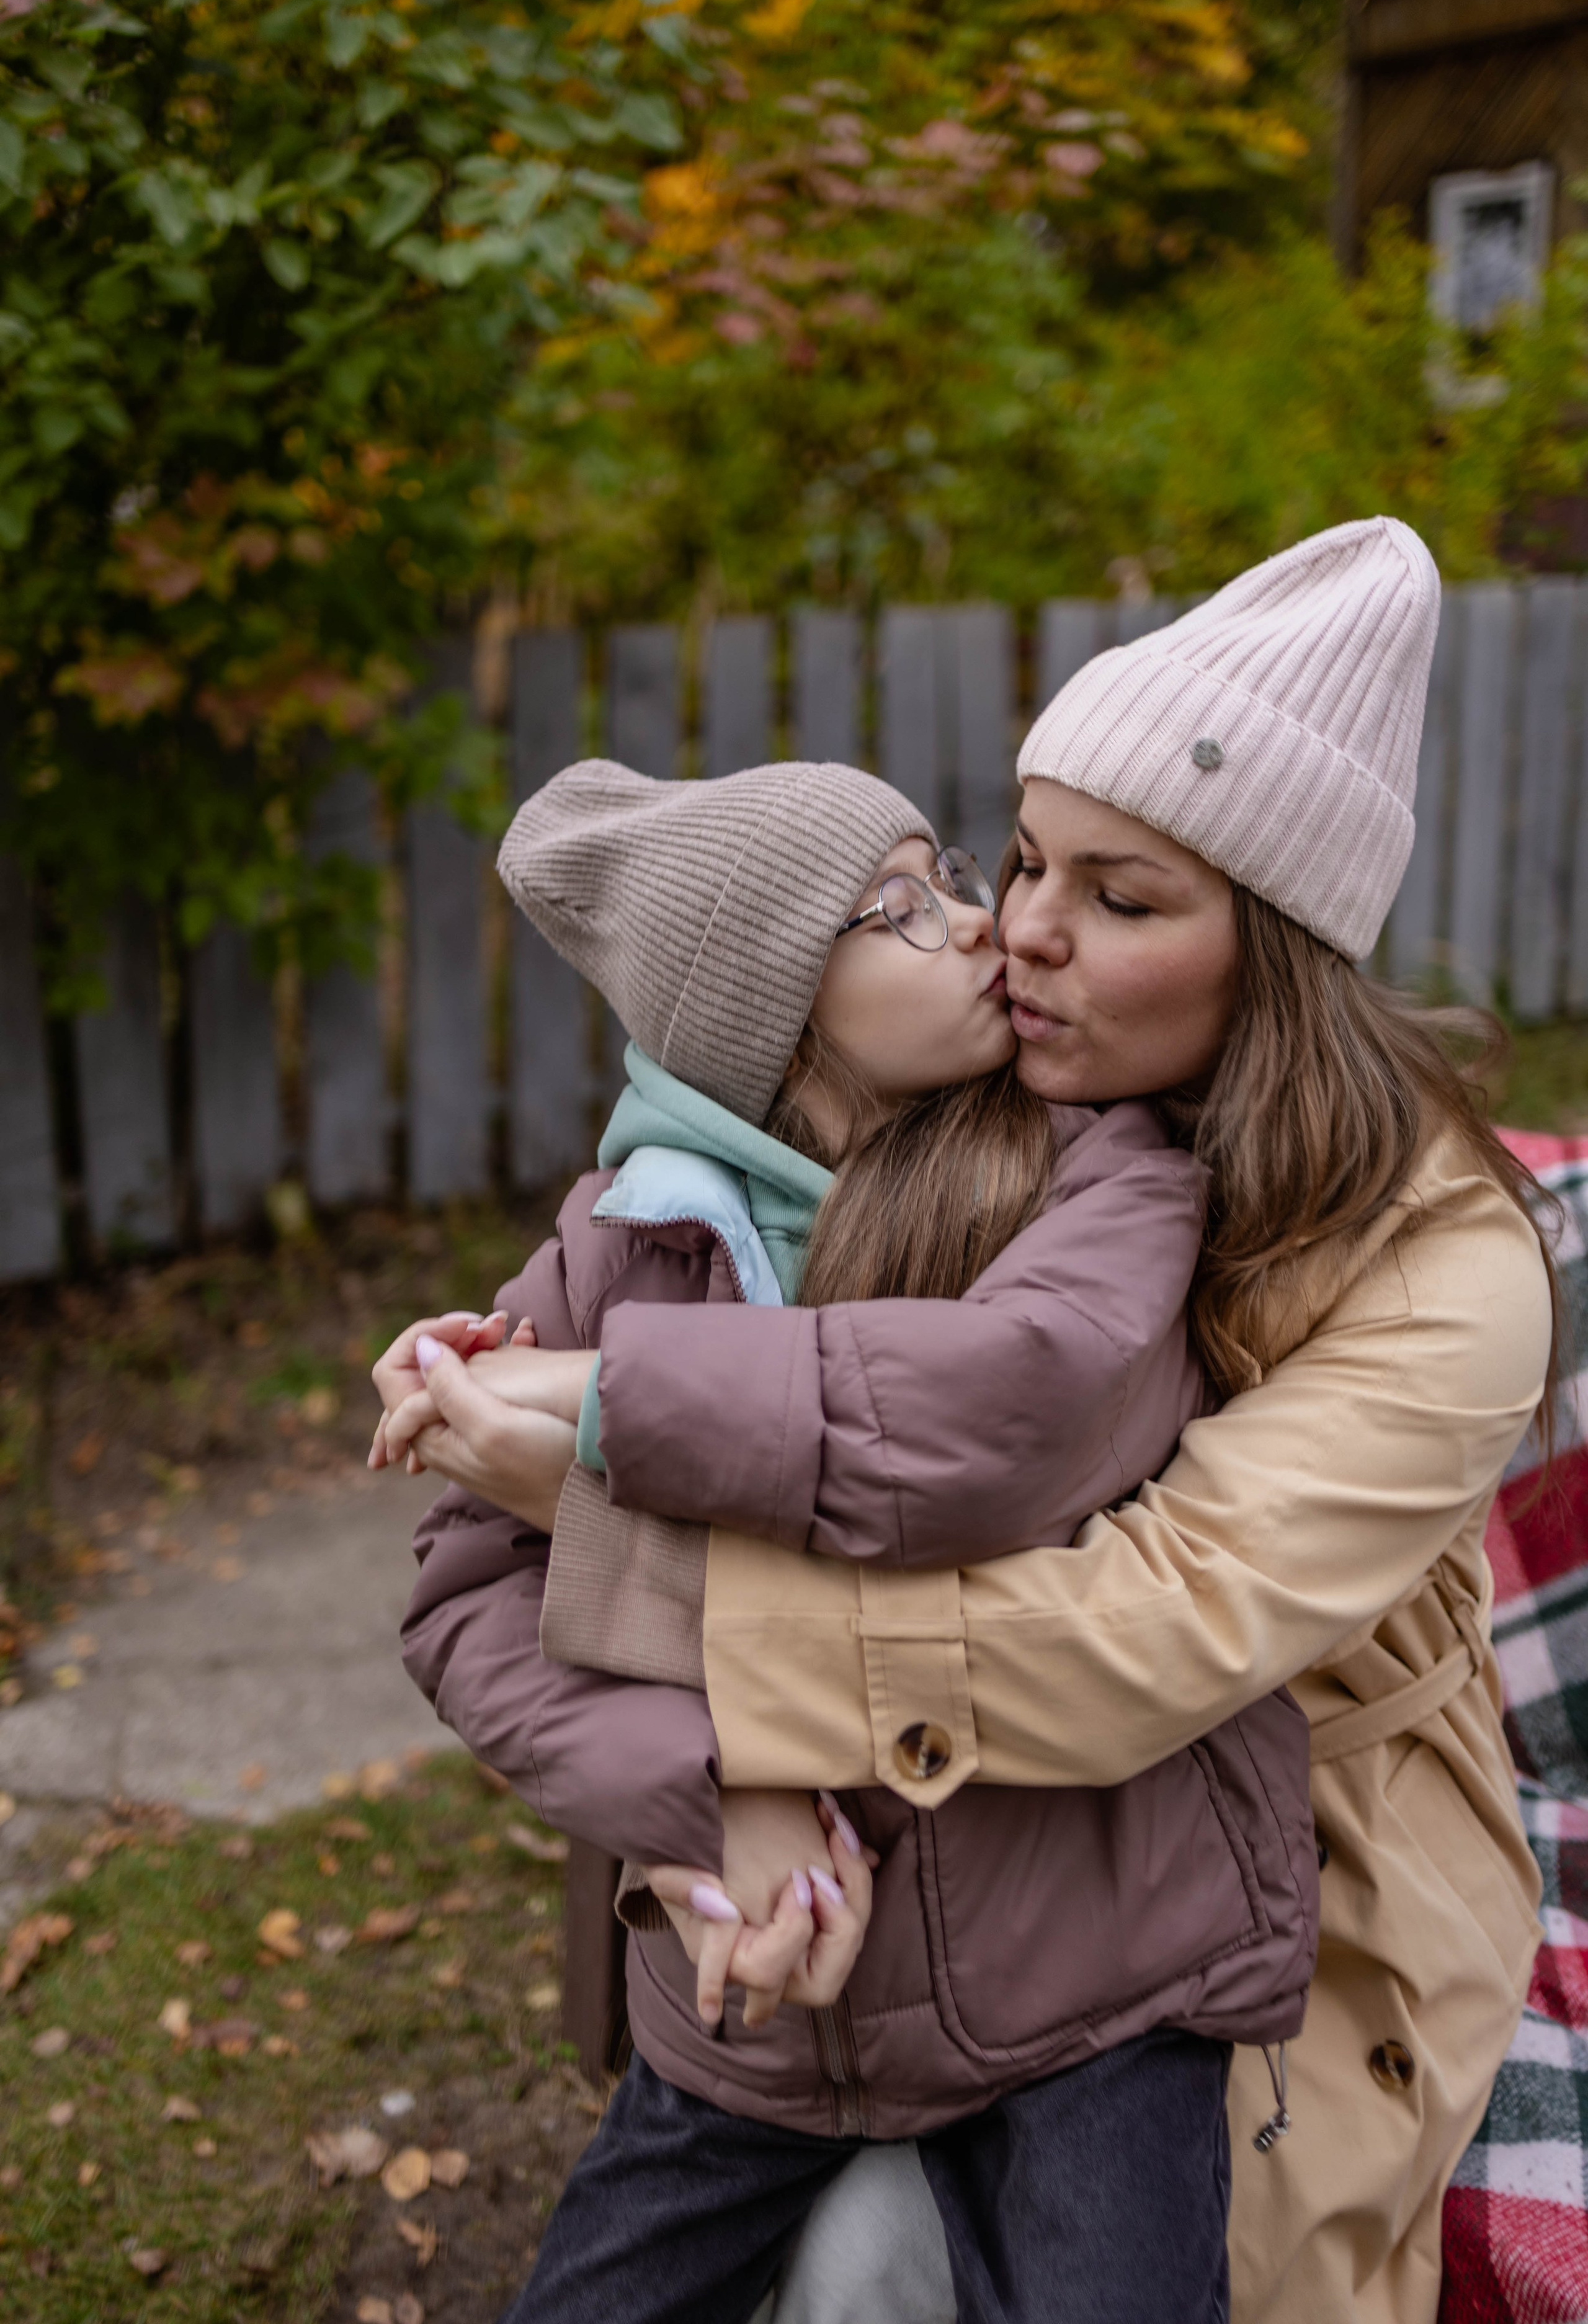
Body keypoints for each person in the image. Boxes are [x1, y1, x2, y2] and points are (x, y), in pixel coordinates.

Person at [389, 517, 1558, 2324]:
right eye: (1021, 864)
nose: (1018, 931)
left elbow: (1122, 1616)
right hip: (887, 1880)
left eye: (1121, 896)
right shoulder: (932, 1133)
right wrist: (721, 1799)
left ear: (1284, 947)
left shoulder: (1384, 1255)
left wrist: (615, 1462)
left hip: (1235, 1872)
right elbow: (479, 1576)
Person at [377, 751, 1317, 2324]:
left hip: (1084, 1962)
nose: (976, 926)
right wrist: (712, 1796)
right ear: (772, 1015)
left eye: (949, 877)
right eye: (894, 912)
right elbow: (466, 1601)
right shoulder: (623, 1240)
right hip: (761, 1995)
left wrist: (608, 1401)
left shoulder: (1096, 1161)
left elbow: (1006, 1421)